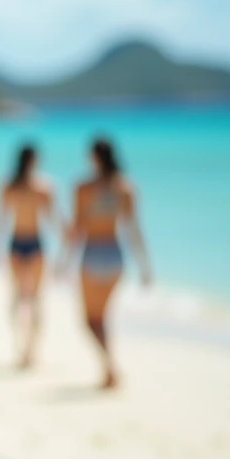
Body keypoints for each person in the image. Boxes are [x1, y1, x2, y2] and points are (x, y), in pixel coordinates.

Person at [67, 137, 152, 389]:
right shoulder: (125, 187)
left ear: (93, 157)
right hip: (115, 254)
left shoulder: (83, 187)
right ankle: (108, 371)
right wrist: (145, 266)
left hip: (92, 253)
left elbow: (77, 229)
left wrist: (62, 260)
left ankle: (110, 367)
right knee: (103, 317)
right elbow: (133, 229)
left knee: (89, 320)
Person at [0, 144, 59, 369]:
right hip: (34, 244)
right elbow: (53, 219)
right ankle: (29, 350)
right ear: (34, 161)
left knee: (19, 297)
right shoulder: (43, 186)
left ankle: (22, 349)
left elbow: (0, 219)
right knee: (34, 298)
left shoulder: (10, 185)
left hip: (17, 243)